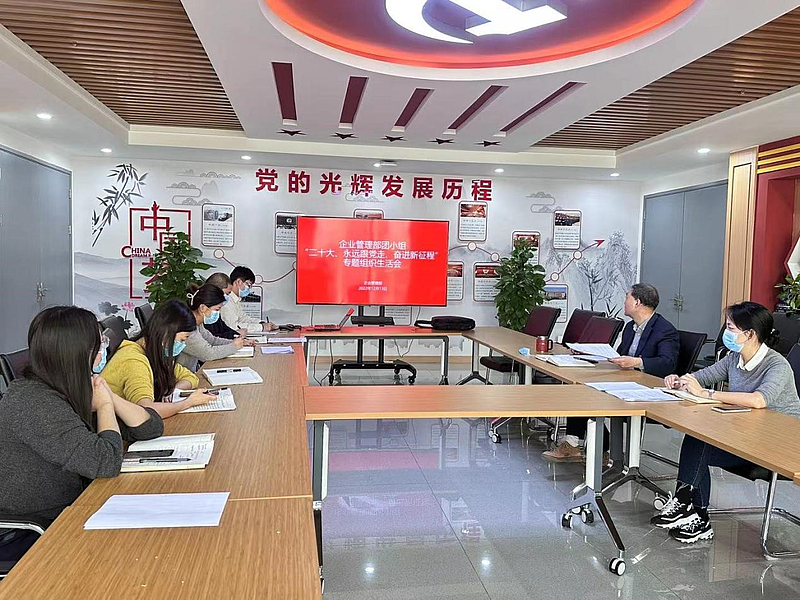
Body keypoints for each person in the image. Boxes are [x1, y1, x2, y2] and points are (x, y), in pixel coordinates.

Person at [0, 307, 163, 538]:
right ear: (79, 352)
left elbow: (150, 428)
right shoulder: (33, 401)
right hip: (34, 529)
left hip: (77, 505)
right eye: (100, 344)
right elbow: (105, 462)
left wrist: (110, 397)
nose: (104, 350)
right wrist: (104, 406)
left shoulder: (68, 386)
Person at [651, 301, 800, 544]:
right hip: (748, 435)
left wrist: (707, 394)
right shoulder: (734, 358)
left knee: (700, 445)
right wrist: (680, 380)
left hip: (777, 445)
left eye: (730, 328)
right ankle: (693, 511)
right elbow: (703, 376)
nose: (725, 333)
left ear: (749, 334)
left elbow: (759, 400)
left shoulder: (777, 365)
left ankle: (689, 507)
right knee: (698, 439)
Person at [543, 283, 679, 463]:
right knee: (581, 391)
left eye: (627, 297)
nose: (624, 302)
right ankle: (580, 445)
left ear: (637, 302)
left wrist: (638, 362)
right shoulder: (631, 327)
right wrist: (588, 353)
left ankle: (599, 449)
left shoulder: (664, 330)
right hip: (625, 382)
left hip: (647, 390)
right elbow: (620, 356)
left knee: (587, 396)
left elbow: (668, 363)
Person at [102, 299, 215, 418]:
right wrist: (188, 402)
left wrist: (175, 391)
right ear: (167, 332)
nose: (183, 345)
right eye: (182, 339)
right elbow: (146, 411)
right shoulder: (133, 360)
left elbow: (190, 377)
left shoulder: (154, 352)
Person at [179, 283, 253, 372]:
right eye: (217, 309)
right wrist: (233, 346)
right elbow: (208, 354)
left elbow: (212, 340)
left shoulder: (198, 324)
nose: (218, 313)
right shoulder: (187, 328)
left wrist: (239, 342)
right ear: (202, 308)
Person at [220, 266, 277, 333]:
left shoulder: (236, 300)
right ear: (239, 282)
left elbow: (243, 318)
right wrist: (261, 327)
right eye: (248, 285)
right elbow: (234, 326)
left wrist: (261, 323)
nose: (249, 289)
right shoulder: (227, 301)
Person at [204, 272, 242, 340]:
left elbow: (224, 328)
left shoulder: (216, 310)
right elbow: (212, 337)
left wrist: (237, 335)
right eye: (227, 293)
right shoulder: (205, 310)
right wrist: (235, 335)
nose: (227, 297)